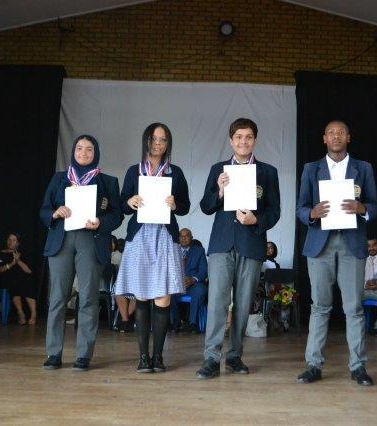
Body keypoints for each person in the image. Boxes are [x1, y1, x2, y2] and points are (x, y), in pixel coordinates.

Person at [196, 117, 280, 379]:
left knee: (243, 305)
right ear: (231, 141)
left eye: (249, 137)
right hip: (222, 244)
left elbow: (274, 211)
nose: (244, 141)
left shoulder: (267, 172)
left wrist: (257, 220)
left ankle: (234, 356)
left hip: (251, 243)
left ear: (255, 140)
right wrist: (220, 191)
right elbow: (205, 206)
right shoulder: (218, 169)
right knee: (217, 303)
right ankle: (211, 358)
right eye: (239, 137)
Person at [296, 120, 377, 386]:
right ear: (324, 138)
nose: (336, 136)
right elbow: (300, 207)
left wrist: (362, 209)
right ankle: (313, 365)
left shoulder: (363, 168)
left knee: (354, 308)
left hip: (351, 243)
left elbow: (374, 205)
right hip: (320, 244)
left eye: (341, 132)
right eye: (331, 133)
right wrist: (311, 213)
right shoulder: (311, 169)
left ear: (348, 138)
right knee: (319, 306)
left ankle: (358, 367)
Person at [40, 134, 123, 372]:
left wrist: (101, 222)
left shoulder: (107, 182)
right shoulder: (59, 178)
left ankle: (84, 355)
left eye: (89, 149)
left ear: (96, 153)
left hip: (91, 240)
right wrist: (55, 213)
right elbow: (44, 209)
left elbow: (117, 215)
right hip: (61, 241)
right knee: (57, 299)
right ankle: (53, 353)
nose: (83, 153)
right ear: (73, 152)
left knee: (88, 298)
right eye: (79, 148)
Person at [115, 122, 190, 373]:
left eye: (163, 140)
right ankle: (142, 357)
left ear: (168, 144)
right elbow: (122, 206)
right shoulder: (134, 171)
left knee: (163, 296)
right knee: (142, 295)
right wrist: (130, 201)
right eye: (154, 139)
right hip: (140, 236)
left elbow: (186, 206)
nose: (158, 144)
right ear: (146, 141)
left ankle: (158, 356)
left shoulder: (175, 173)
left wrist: (175, 204)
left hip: (165, 236)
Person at [0, 233, 36, 325]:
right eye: (9, 239)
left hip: (22, 279)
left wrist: (18, 261)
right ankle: (21, 313)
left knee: (28, 281)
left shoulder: (21, 254)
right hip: (6, 279)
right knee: (14, 282)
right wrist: (11, 264)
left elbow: (29, 271)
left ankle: (33, 314)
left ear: (17, 243)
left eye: (13, 240)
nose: (10, 242)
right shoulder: (0, 253)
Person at [171, 228, 208, 333]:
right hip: (177, 284)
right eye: (181, 236)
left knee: (199, 291)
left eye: (186, 236)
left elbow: (204, 270)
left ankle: (192, 323)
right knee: (167, 293)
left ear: (191, 238)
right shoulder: (173, 251)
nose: (183, 238)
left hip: (194, 284)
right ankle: (176, 322)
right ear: (178, 238)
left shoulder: (199, 251)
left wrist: (193, 280)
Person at [111, 236, 136, 333]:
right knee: (118, 290)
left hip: (142, 281)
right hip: (128, 280)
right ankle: (126, 320)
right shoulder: (126, 255)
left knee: (138, 293)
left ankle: (124, 320)